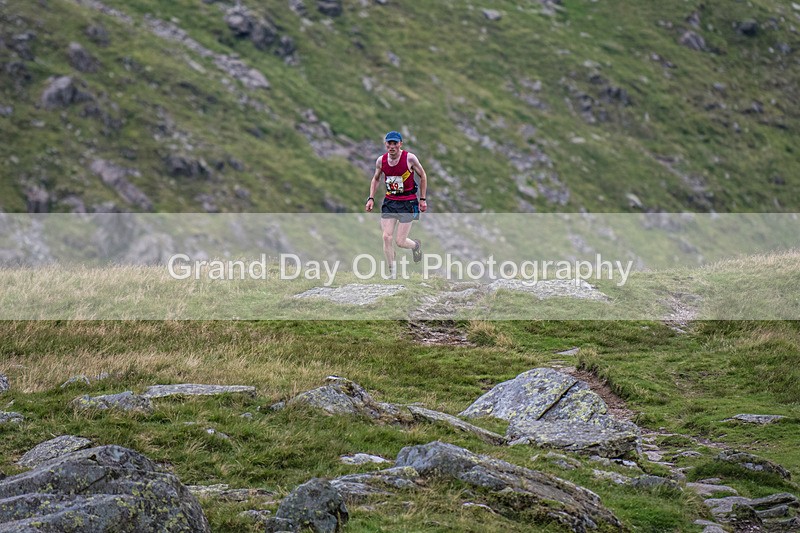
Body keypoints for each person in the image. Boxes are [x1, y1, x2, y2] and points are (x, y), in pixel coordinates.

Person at [365, 131, 428, 277]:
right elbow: (376, 179)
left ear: (400, 144)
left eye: (395, 143)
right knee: (386, 237)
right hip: (390, 201)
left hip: (408, 202)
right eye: (389, 143)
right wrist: (371, 198)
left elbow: (423, 176)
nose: (392, 146)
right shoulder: (381, 161)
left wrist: (423, 199)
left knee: (400, 241)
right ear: (385, 144)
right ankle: (392, 273)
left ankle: (415, 245)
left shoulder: (410, 158)